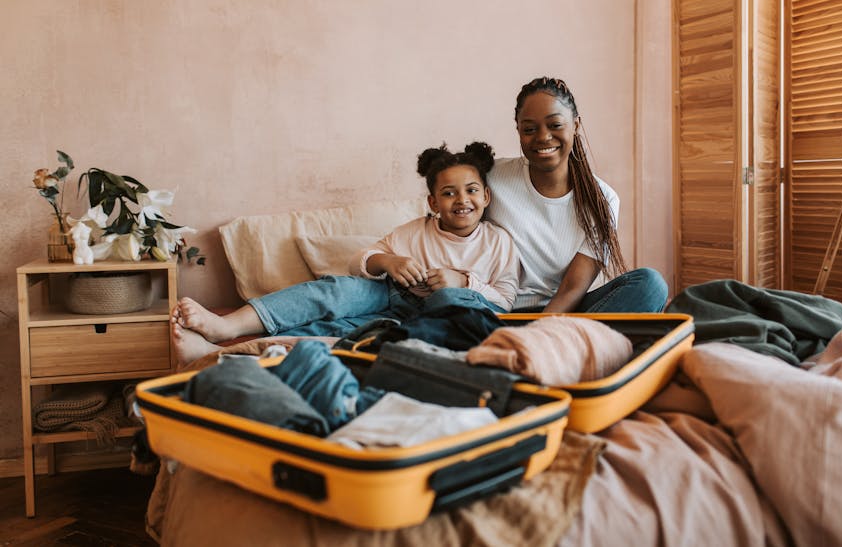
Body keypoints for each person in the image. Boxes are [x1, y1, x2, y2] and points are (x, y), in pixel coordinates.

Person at [172, 141, 519, 364]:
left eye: (471, 190)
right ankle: (226, 330)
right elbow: (359, 262)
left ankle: (227, 356)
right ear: (432, 202)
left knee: (341, 331)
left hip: (433, 322)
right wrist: (388, 261)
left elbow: (505, 301)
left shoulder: (497, 242)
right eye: (449, 193)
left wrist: (464, 281)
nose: (462, 200)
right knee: (339, 290)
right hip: (395, 301)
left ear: (486, 197)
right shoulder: (415, 230)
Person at [485, 76, 668, 313]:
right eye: (530, 129)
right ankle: (567, 346)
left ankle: (538, 344)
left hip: (562, 312)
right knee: (446, 297)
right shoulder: (491, 176)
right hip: (496, 310)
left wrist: (540, 332)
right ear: (518, 129)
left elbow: (573, 288)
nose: (542, 137)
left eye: (555, 125)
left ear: (576, 125)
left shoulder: (602, 199)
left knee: (650, 285)